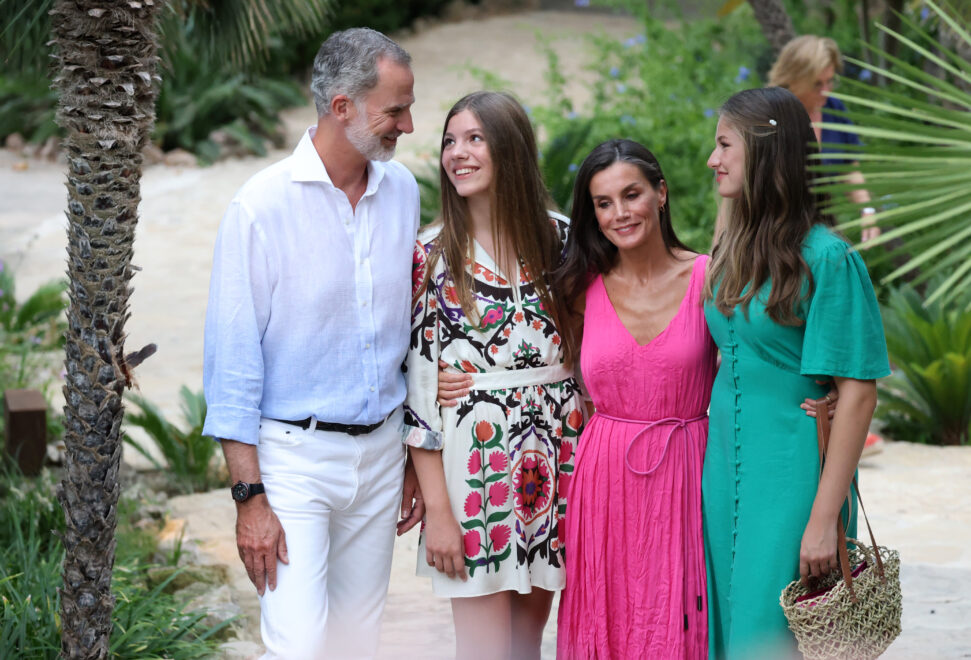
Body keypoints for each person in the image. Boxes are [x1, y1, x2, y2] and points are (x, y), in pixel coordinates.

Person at [202, 28, 424, 659]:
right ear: (342, 106)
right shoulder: (259, 208)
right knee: (298, 647)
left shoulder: (402, 191)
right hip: (293, 460)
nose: (408, 125)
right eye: (396, 109)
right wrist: (250, 499)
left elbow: (409, 333)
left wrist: (410, 455)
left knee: (357, 644)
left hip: (381, 457)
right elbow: (233, 365)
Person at [702, 87, 890, 659]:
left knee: (774, 641)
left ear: (765, 153)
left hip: (793, 477)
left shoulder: (829, 257)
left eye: (724, 144)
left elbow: (858, 395)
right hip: (725, 472)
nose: (713, 159)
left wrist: (822, 519)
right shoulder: (732, 248)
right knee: (733, 627)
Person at [402, 91, 584, 660]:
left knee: (527, 645)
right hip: (475, 467)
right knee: (483, 649)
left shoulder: (563, 239)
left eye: (474, 138)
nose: (458, 153)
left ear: (511, 149)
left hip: (559, 459)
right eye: (450, 142)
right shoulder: (428, 256)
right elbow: (420, 393)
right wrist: (438, 513)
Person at [552, 139, 715, 659]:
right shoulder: (581, 286)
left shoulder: (709, 278)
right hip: (604, 480)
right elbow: (537, 366)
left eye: (631, 194)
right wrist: (446, 378)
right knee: (609, 618)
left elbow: (751, 364)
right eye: (603, 203)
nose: (619, 213)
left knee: (684, 618)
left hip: (689, 468)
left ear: (661, 193)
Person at [768, 35, 880, 242]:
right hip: (772, 233)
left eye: (829, 81)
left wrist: (867, 210)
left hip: (819, 230)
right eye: (816, 84)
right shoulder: (769, 115)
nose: (826, 91)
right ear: (792, 79)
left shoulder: (833, 109)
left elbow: (848, 168)